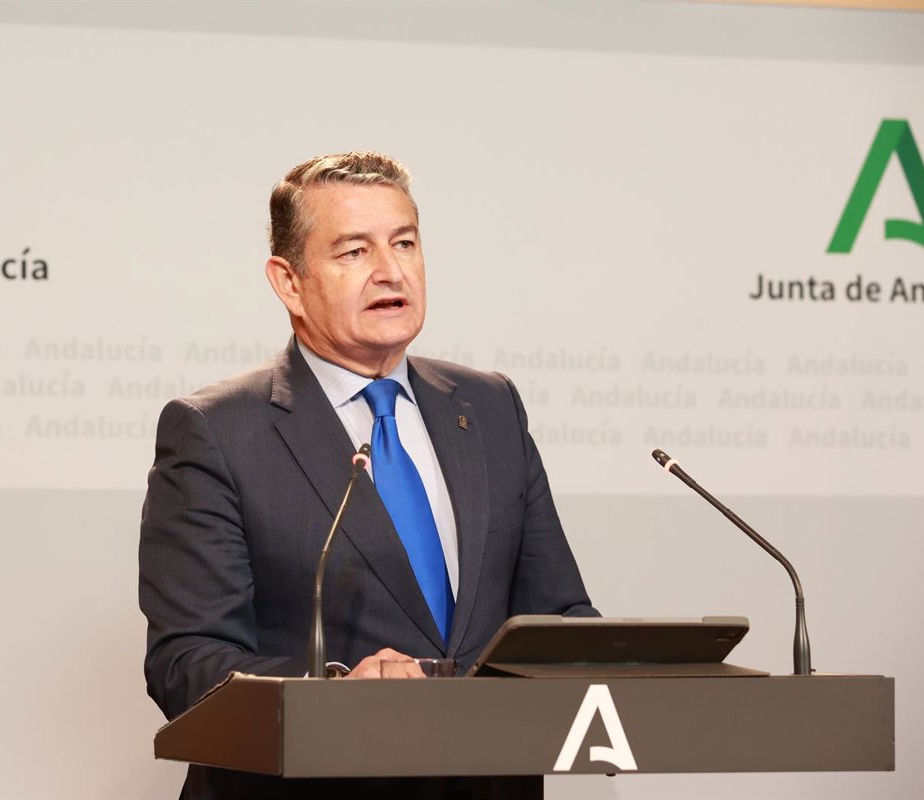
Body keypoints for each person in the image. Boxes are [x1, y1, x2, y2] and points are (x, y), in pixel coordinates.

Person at [139, 152, 598, 799]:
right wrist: (332, 693)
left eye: (404, 242)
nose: (390, 270)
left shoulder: (490, 406)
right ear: (289, 282)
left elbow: (558, 612)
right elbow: (187, 661)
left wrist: (627, 657)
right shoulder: (216, 431)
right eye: (354, 251)